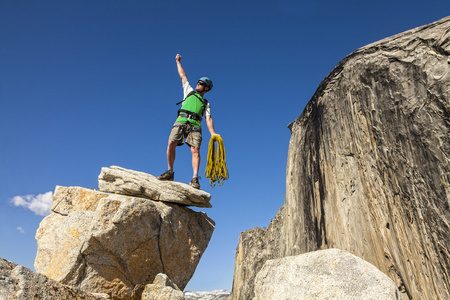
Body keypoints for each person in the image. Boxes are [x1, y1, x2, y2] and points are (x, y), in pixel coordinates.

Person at [157, 54, 218, 189]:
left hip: (195, 125)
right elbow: (183, 76)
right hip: (181, 120)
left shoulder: (206, 103)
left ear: (206, 88)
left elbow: (208, 118)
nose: (198, 84)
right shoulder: (189, 91)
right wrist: (178, 61)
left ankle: (195, 178)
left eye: (202, 84)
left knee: (195, 150)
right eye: (198, 82)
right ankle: (170, 172)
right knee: (171, 143)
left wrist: (213, 133)